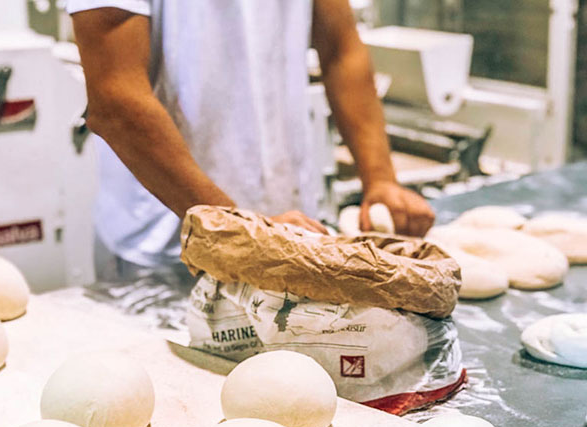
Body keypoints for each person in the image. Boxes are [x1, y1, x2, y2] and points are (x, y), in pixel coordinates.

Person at [68, 0, 435, 279]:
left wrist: (380, 179)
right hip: (167, 249)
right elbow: (116, 101)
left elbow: (341, 49)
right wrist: (240, 232)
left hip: (292, 236)